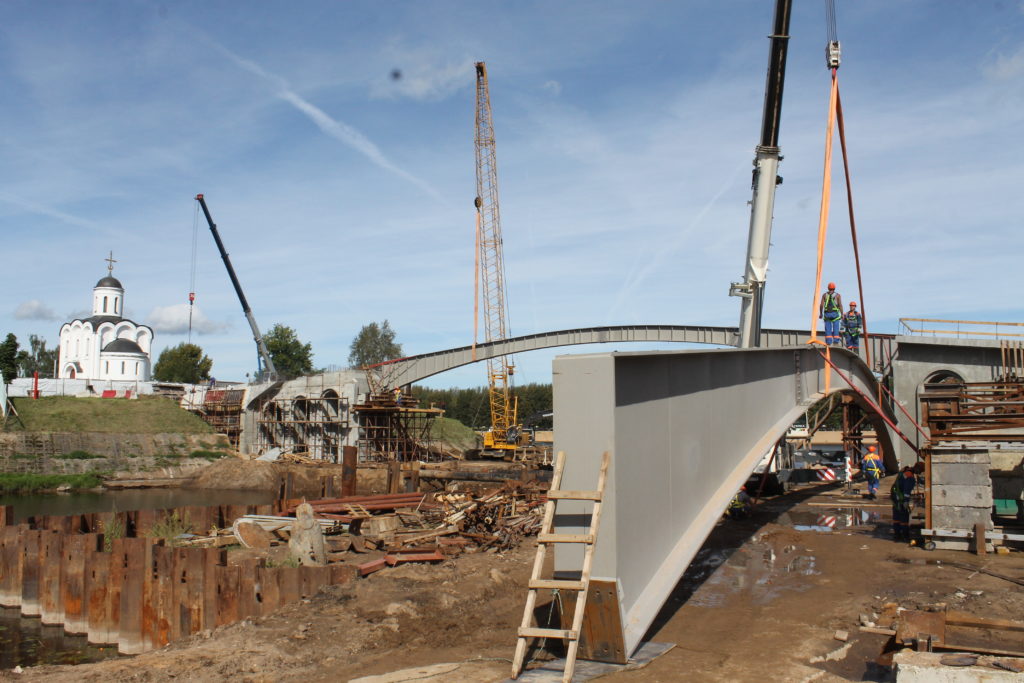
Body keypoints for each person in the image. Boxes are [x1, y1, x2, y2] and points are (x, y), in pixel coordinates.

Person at [890, 466, 916, 541]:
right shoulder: (910, 477)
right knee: (904, 517)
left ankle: (897, 535)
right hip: (901, 500)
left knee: (896, 517)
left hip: (895, 498)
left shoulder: (901, 475)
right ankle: (905, 536)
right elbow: (907, 491)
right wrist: (906, 501)